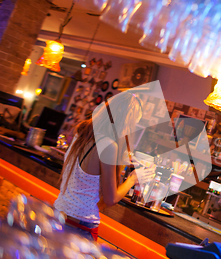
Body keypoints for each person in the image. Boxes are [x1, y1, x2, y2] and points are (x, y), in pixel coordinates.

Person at [54, 93, 155, 241]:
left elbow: (87, 172)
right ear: (124, 121)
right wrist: (133, 179)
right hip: (81, 224)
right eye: (132, 124)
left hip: (59, 213)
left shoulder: (82, 134)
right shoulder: (109, 146)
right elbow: (111, 199)